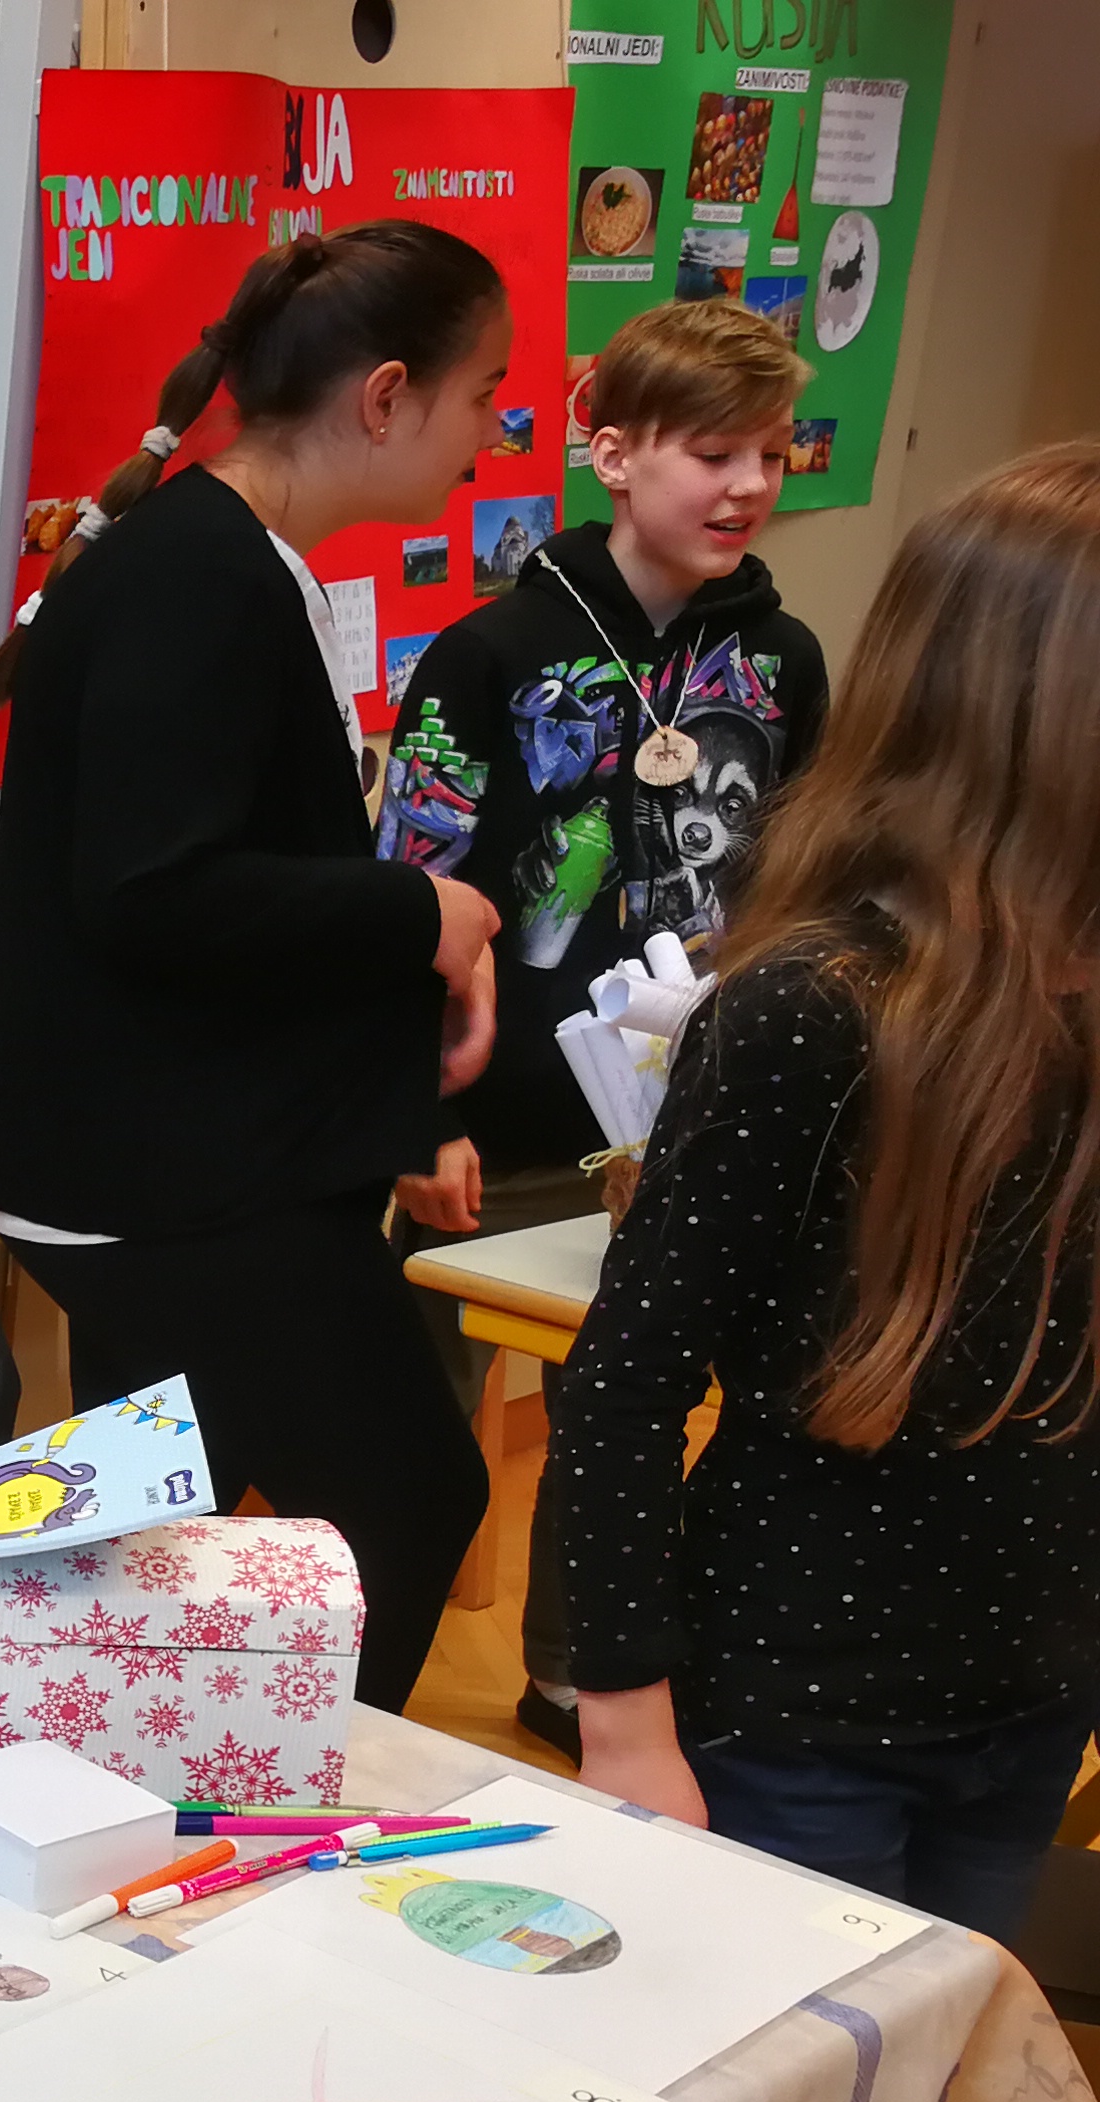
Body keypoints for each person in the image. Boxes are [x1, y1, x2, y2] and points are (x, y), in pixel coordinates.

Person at [449, 439, 1100, 2102]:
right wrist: (621, 1732)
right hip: (776, 1730)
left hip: (995, 1722)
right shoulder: (809, 1018)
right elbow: (620, 1393)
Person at [0, 223, 513, 1713]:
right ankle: (272, 1810)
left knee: (164, 1527)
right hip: (155, 1175)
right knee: (405, 1500)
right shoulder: (198, 575)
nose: (489, 431)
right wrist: (416, 915)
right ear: (384, 397)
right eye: (480, 394)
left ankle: (122, 1781)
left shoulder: (228, 558)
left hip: (170, 1151)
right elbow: (157, 891)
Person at [377, 301, 829, 1763]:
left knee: (620, 1419)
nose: (747, 486)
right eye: (713, 454)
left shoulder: (784, 663)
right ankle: (361, 1689)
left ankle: (579, 1677)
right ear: (614, 454)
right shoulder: (488, 654)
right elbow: (407, 887)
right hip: (497, 1121)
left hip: (691, 1120)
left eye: (771, 454)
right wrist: (413, 1113)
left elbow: (804, 873)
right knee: (413, 1434)